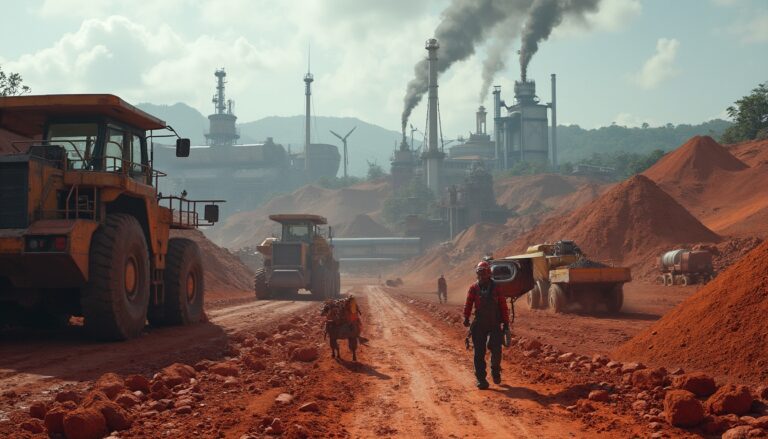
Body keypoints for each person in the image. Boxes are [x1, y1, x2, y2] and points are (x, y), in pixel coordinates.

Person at [463, 260, 510, 389]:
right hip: (479, 324)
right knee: (479, 352)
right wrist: (466, 317)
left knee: (496, 349)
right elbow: (468, 304)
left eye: (483, 273)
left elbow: (503, 306)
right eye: (479, 273)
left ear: (489, 273)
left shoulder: (497, 288)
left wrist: (506, 323)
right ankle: (481, 379)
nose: (481, 276)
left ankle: (495, 371)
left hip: (494, 323)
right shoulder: (473, 288)